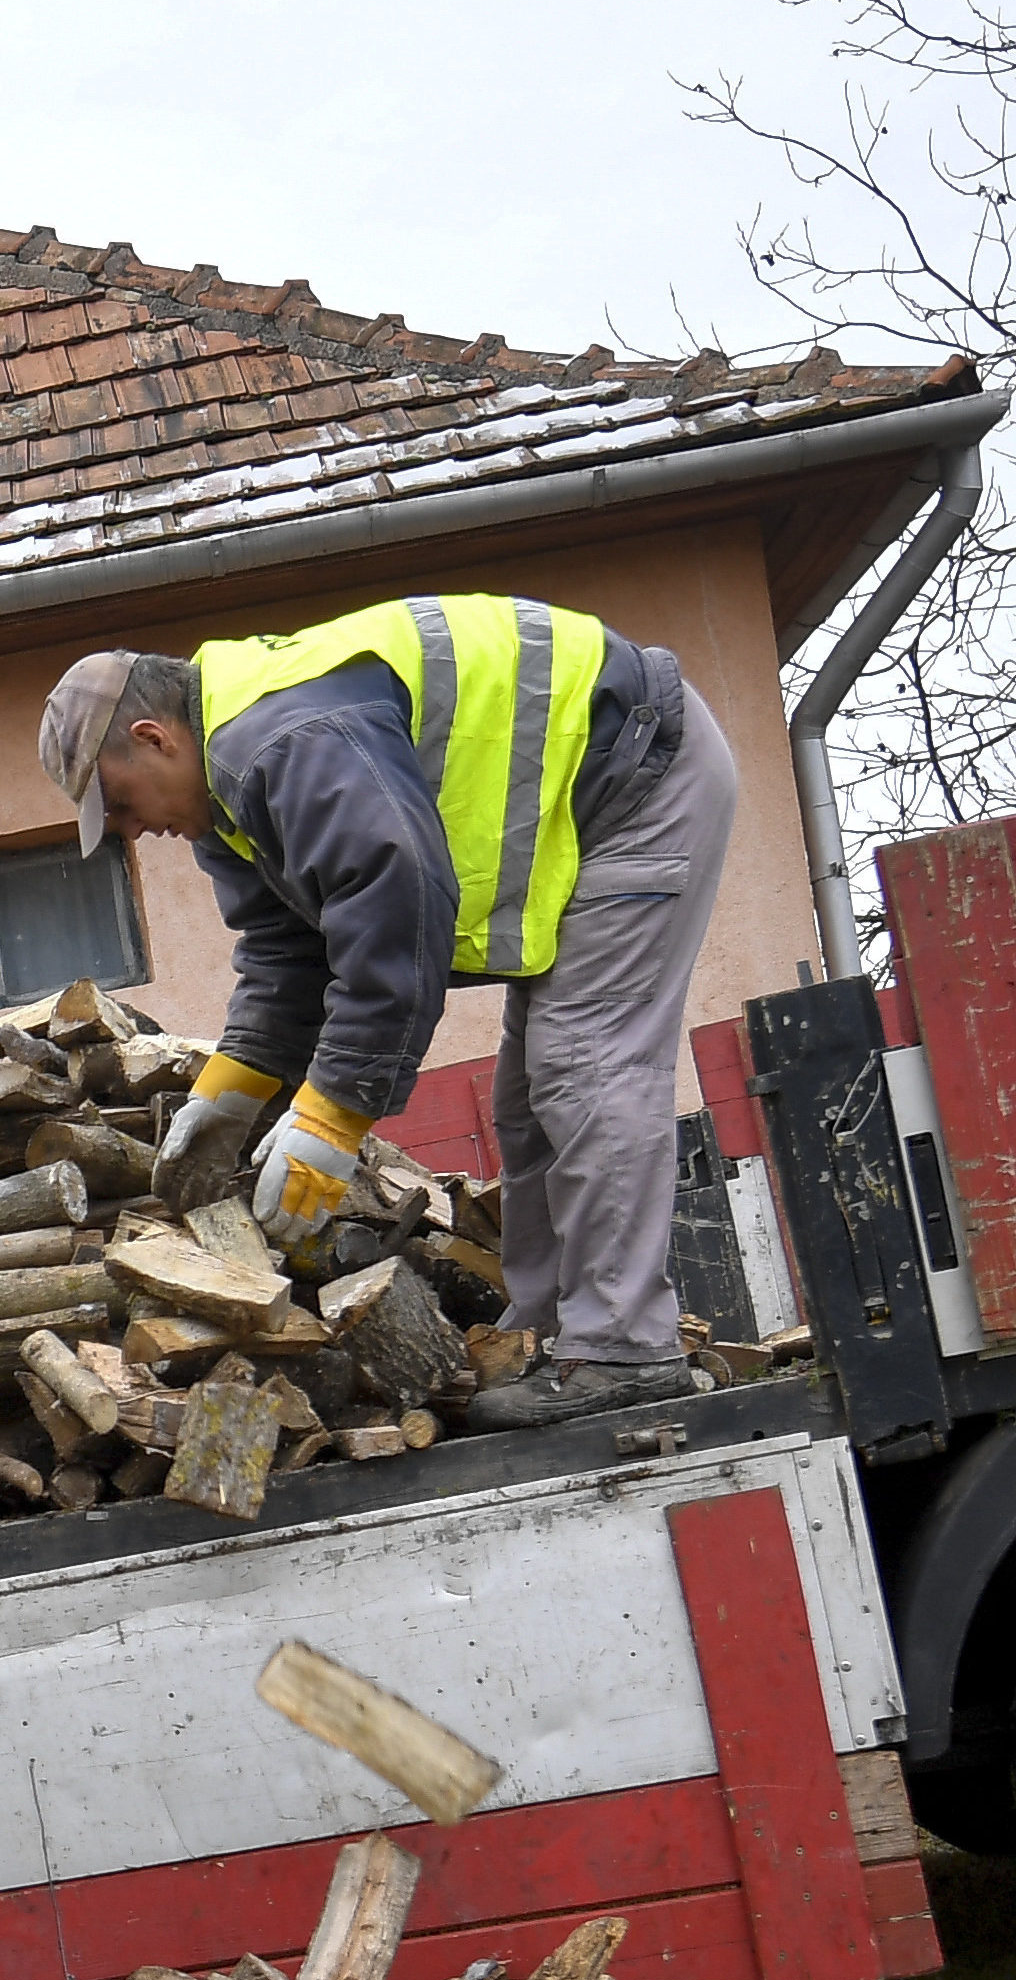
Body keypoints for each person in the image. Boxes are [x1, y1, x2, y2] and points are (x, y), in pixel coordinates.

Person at [37, 597, 744, 1430]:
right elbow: (287, 951)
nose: (130, 831)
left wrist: (332, 1118)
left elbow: (394, 900)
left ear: (156, 739)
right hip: (591, 802)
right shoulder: (230, 799)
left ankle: (624, 1349)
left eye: (118, 804)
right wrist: (228, 1095)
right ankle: (550, 1340)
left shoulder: (283, 742)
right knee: (527, 1105)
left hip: (637, 778)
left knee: (583, 1067)